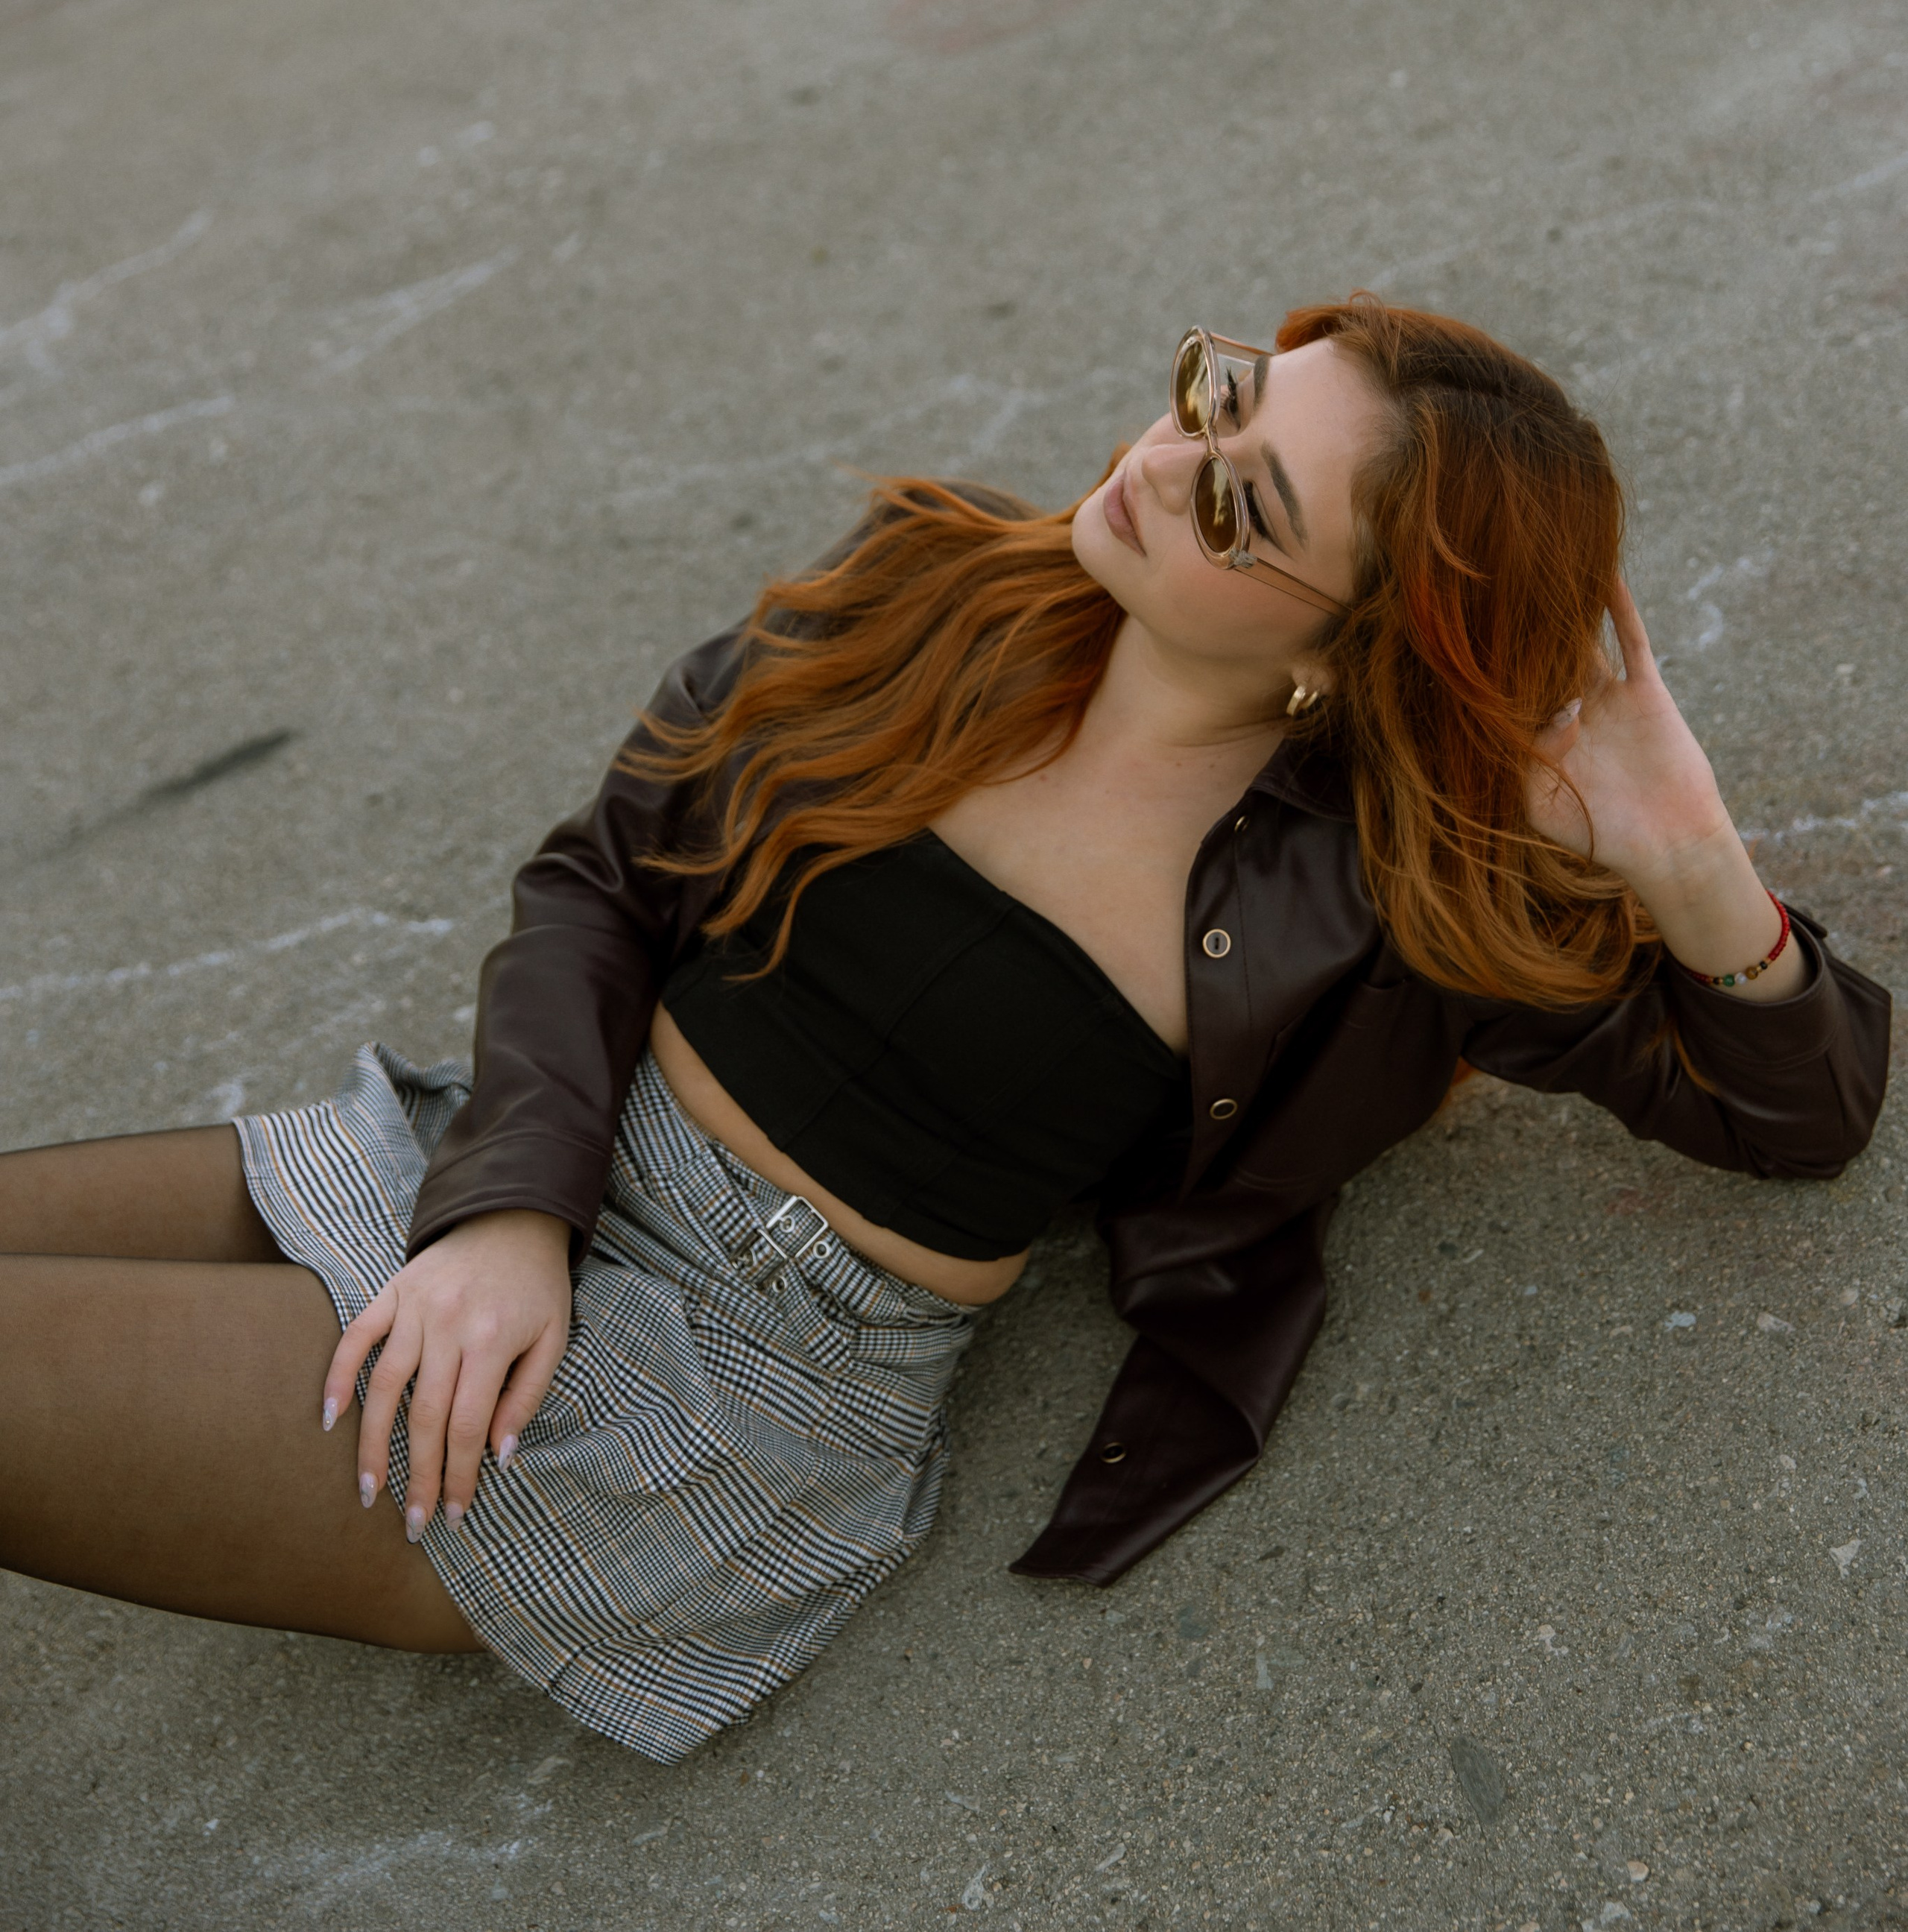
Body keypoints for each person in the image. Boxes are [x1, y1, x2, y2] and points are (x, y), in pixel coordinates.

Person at [0, 297, 1887, 1762]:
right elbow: (606, 871)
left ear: (1343, 650)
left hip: (711, 1393)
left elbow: (1798, 1112)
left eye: (1239, 500)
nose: (1161, 456)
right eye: (1217, 394)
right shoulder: (937, 585)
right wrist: (506, 1203)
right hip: (505, 1155)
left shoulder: (1384, 916)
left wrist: (1683, 854)